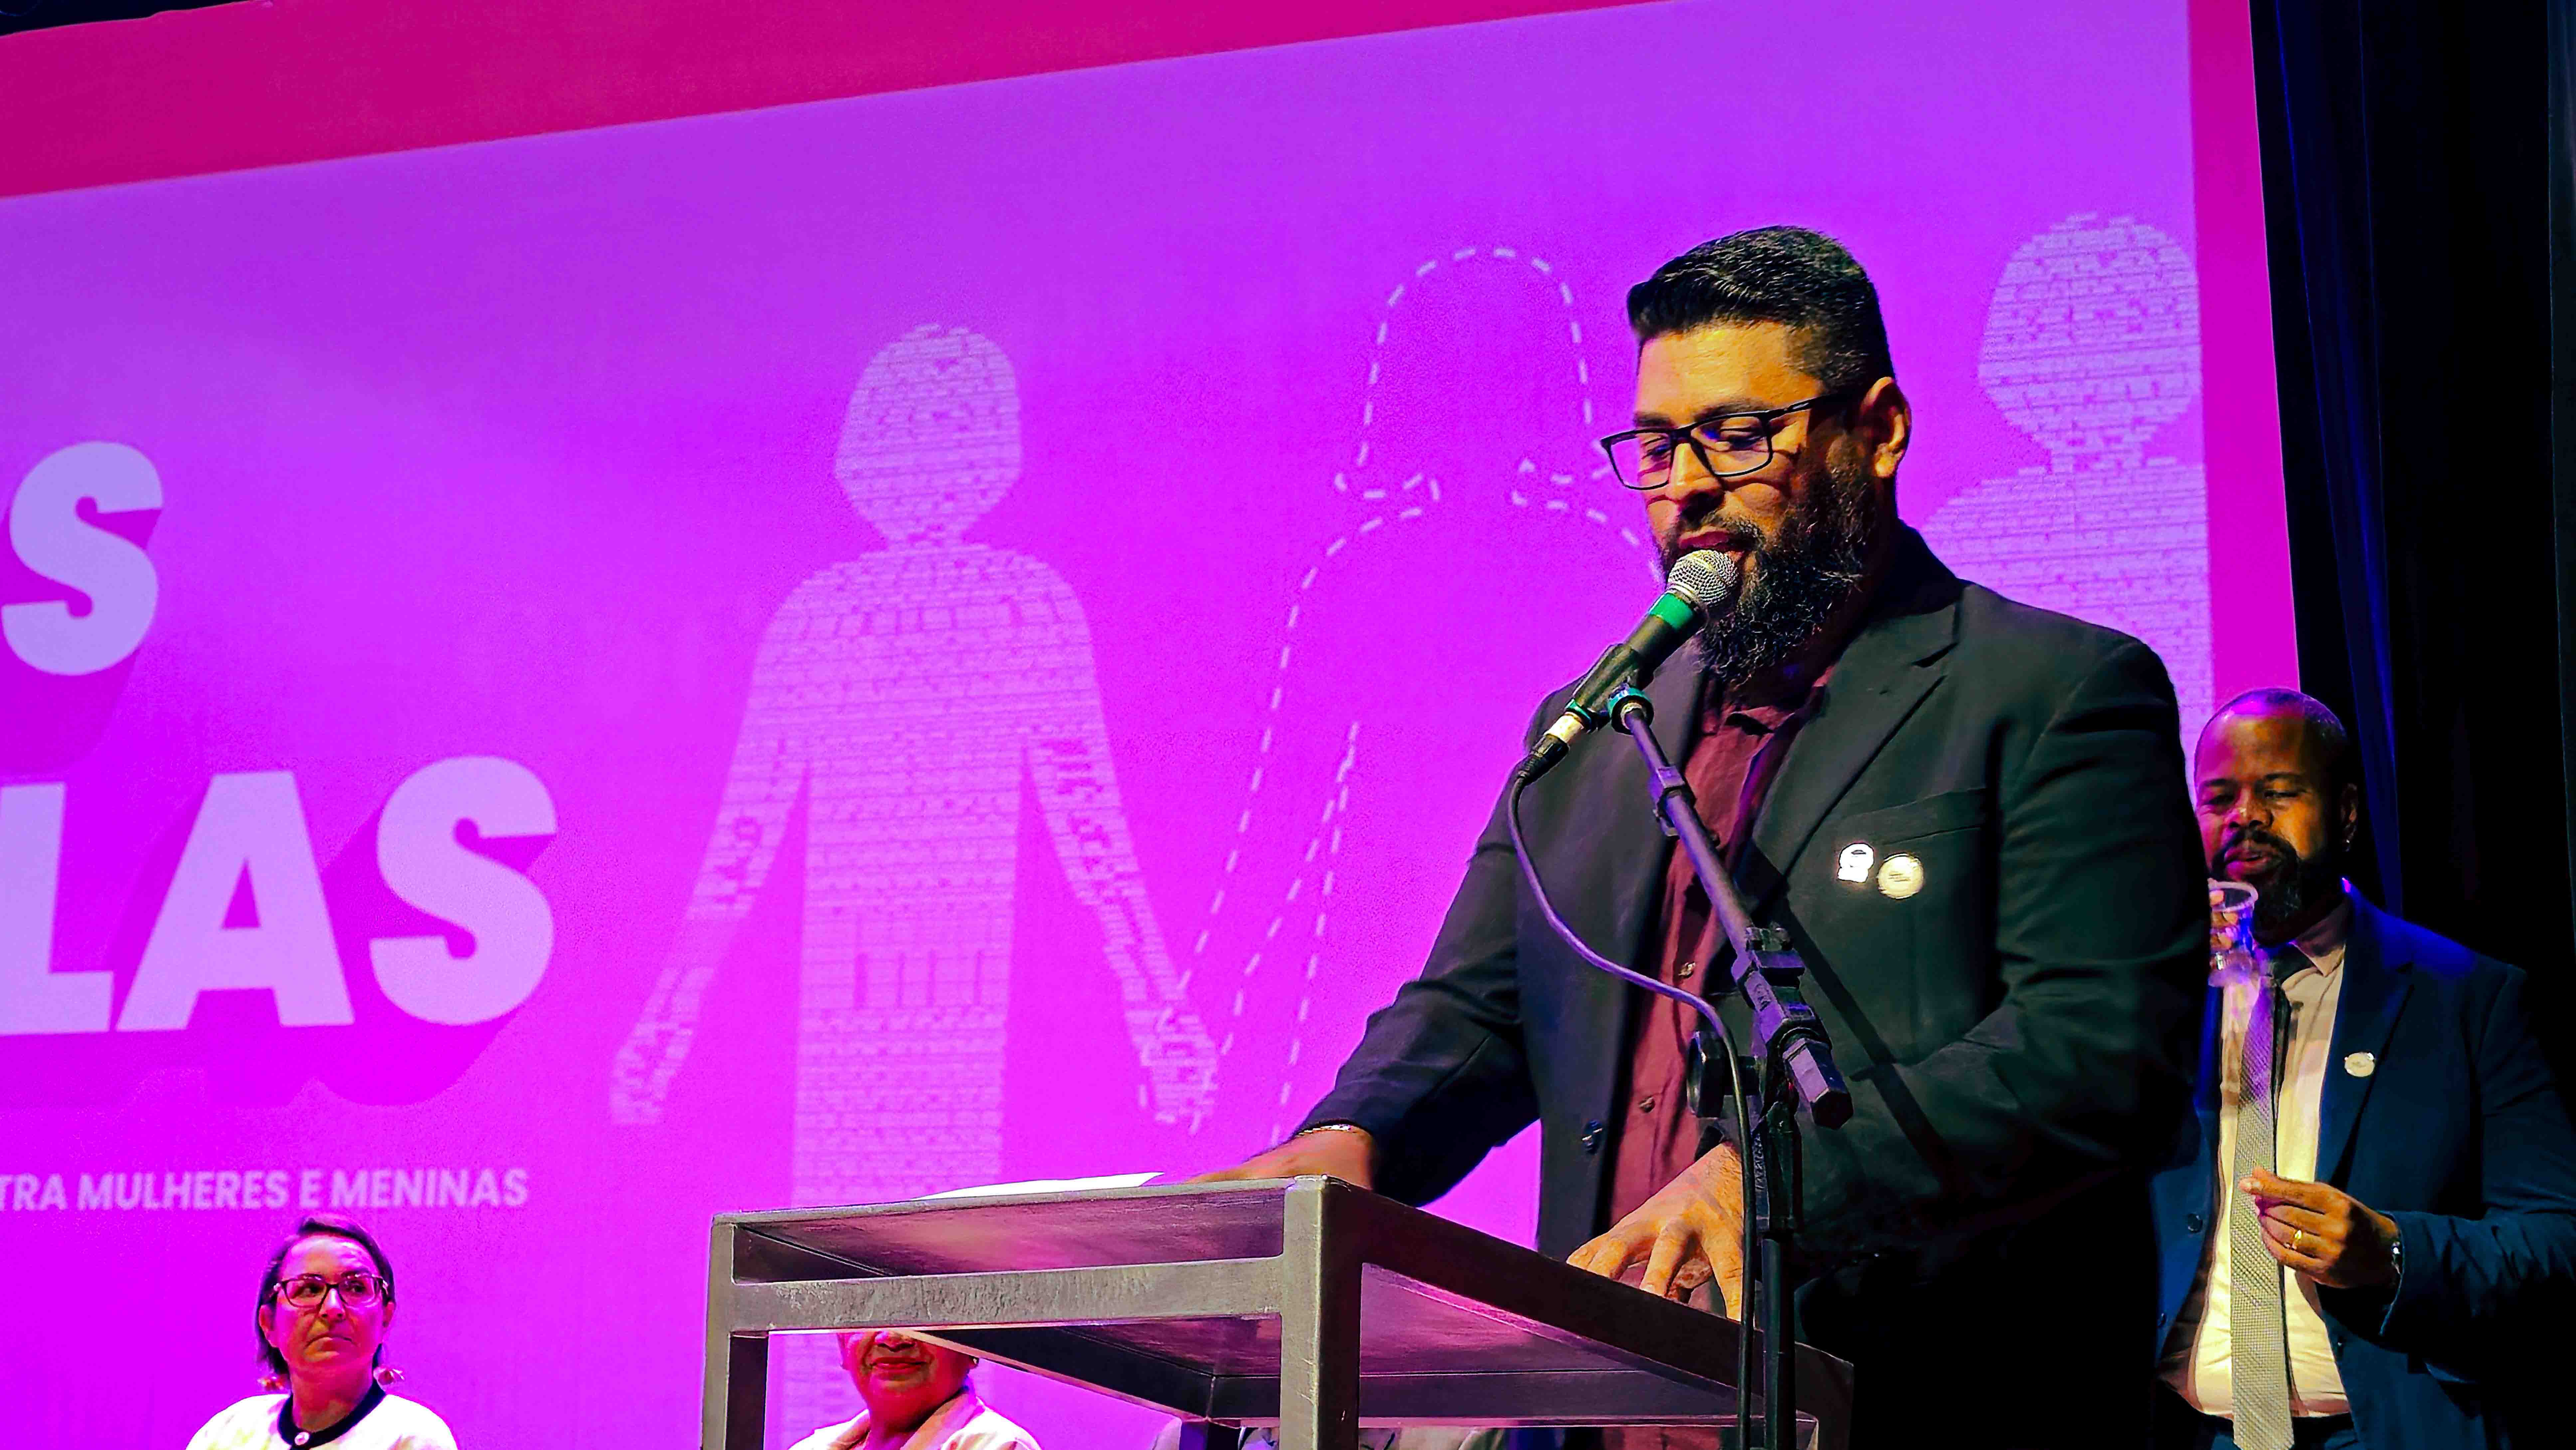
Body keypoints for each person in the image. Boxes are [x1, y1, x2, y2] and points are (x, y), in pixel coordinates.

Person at [1202, 226, 2209, 1446]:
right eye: (1655, 445)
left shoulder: (2050, 691)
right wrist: (1349, 1139)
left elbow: (2097, 1057)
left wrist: (1766, 1182)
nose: (1684, 484)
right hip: (1603, 1413)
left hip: (1910, 1403)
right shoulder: (1597, 730)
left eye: (1735, 435)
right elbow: (1478, 1012)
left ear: (1877, 430)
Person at [2150, 690, 2576, 1449]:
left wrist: (2391, 1252)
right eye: (2218, 798)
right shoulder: (2152, 998)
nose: (2244, 816)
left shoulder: (2467, 999)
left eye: (2279, 791)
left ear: (2345, 812)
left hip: (2386, 1432)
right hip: (2185, 1432)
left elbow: (2557, 1242)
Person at [186, 1214, 458, 1450]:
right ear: (269, 1324)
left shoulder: (412, 1437)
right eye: (309, 1288)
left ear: (385, 1319)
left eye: (356, 1287)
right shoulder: (228, 1433)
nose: (333, 1308)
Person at [790, 1331, 1041, 1450]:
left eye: (919, 1319)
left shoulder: (998, 1445)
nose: (892, 1339)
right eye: (871, 1315)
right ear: (842, 1345)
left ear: (974, 1348)